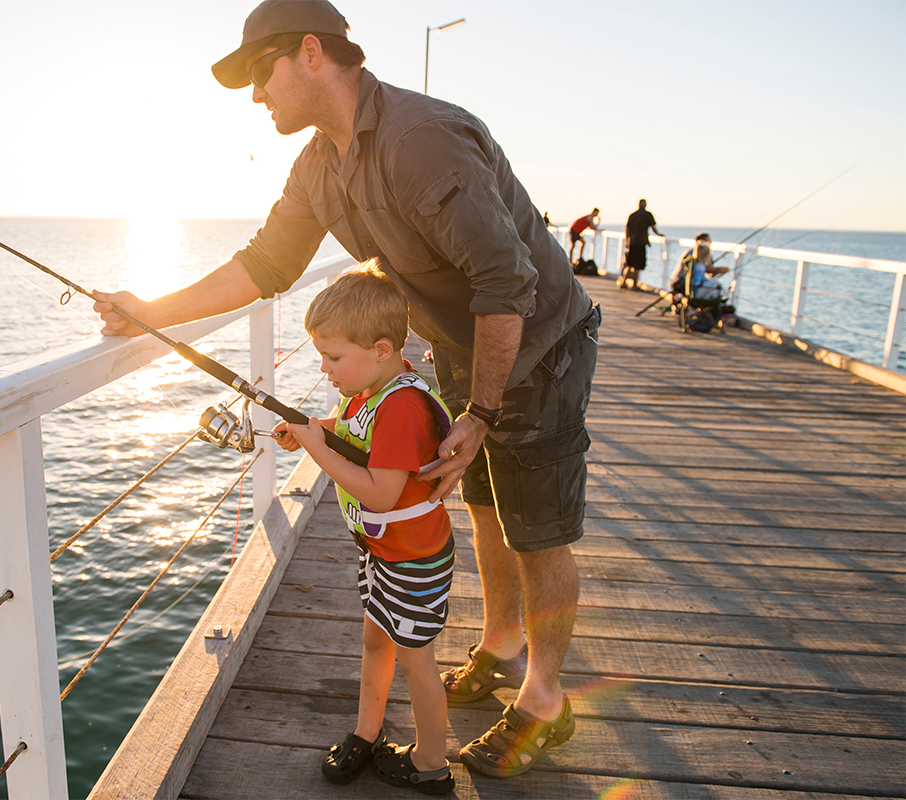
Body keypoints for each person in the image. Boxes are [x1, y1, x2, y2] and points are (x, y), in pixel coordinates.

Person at [92, 0, 598, 780]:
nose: (257, 97)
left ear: (309, 54)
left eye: (261, 75)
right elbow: (265, 265)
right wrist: (151, 312)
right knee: (485, 501)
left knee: (538, 523)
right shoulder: (316, 167)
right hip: (460, 339)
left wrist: (482, 410)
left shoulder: (421, 140)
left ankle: (544, 700)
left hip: (538, 338)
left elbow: (508, 280)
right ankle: (501, 643)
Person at [272, 263, 457, 793]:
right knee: (376, 640)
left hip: (413, 561)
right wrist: (315, 428)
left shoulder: (401, 407)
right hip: (383, 553)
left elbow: (380, 491)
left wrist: (314, 449)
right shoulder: (370, 390)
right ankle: (366, 732)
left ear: (380, 349)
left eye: (333, 358)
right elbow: (353, 429)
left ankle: (431, 764)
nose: (325, 369)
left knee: (418, 663)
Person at [620, 199, 661, 290]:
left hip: (632, 242)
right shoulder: (647, 214)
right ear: (645, 205)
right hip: (641, 242)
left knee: (629, 264)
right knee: (638, 265)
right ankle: (634, 285)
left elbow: (627, 229)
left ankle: (623, 283)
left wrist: (627, 241)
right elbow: (653, 227)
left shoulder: (632, 215)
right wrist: (659, 234)